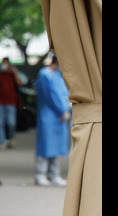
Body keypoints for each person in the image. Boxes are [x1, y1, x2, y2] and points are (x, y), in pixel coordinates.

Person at [34, 54, 71, 187]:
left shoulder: (58, 74)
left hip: (60, 114)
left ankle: (54, 174)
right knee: (45, 145)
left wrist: (66, 108)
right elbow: (51, 95)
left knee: (55, 147)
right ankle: (40, 174)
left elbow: (64, 93)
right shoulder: (45, 75)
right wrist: (61, 110)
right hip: (49, 113)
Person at [0, 57, 24, 149]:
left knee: (11, 123)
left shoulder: (12, 75)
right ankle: (3, 141)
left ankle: (11, 137)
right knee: (0, 123)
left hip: (11, 102)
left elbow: (20, 83)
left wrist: (15, 72)